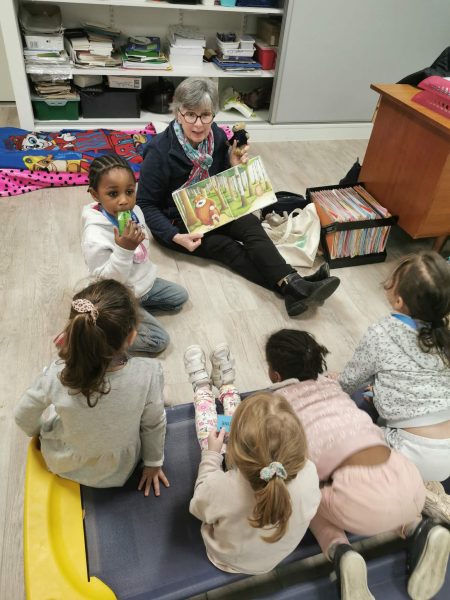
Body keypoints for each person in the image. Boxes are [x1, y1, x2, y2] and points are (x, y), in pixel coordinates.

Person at [265, 328, 450, 600]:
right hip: (407, 479)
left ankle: (340, 552)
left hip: (357, 502)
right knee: (382, 494)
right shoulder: (332, 385)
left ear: (275, 374)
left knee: (306, 494)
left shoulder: (276, 405)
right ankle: (418, 528)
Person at [137, 76, 340, 317]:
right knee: (226, 247)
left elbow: (220, 181)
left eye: (205, 115)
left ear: (214, 114)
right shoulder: (159, 151)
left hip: (213, 207)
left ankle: (294, 286)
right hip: (176, 222)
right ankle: (294, 285)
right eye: (190, 115)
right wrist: (175, 236)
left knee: (250, 224)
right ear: (178, 114)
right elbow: (146, 204)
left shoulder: (217, 137)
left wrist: (233, 165)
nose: (198, 124)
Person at [15, 279, 169, 497]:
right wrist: (153, 463)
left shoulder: (56, 375)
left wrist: (40, 433)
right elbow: (153, 424)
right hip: (121, 469)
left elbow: (22, 415)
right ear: (132, 336)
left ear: (74, 329)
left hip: (65, 462)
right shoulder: (149, 373)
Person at [184, 343, 321, 574]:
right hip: (272, 560)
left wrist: (211, 455)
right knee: (249, 428)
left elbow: (198, 507)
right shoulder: (310, 472)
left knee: (211, 438)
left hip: (226, 559)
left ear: (235, 451)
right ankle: (225, 386)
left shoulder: (222, 488)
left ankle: (203, 389)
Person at [338, 251, 450, 520]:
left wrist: (332, 387)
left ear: (398, 299)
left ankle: (417, 496)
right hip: (446, 454)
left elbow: (350, 380)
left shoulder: (383, 332)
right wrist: (383, 391)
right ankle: (422, 486)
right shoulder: (444, 336)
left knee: (341, 442)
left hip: (410, 451)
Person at [82, 154, 188, 354]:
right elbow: (107, 282)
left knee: (180, 297)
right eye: (113, 194)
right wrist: (124, 249)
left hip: (140, 285)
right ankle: (102, 336)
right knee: (158, 340)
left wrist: (136, 244)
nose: (124, 201)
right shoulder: (94, 235)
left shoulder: (136, 211)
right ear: (95, 195)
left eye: (129, 192)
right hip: (116, 294)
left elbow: (143, 253)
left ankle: (130, 315)